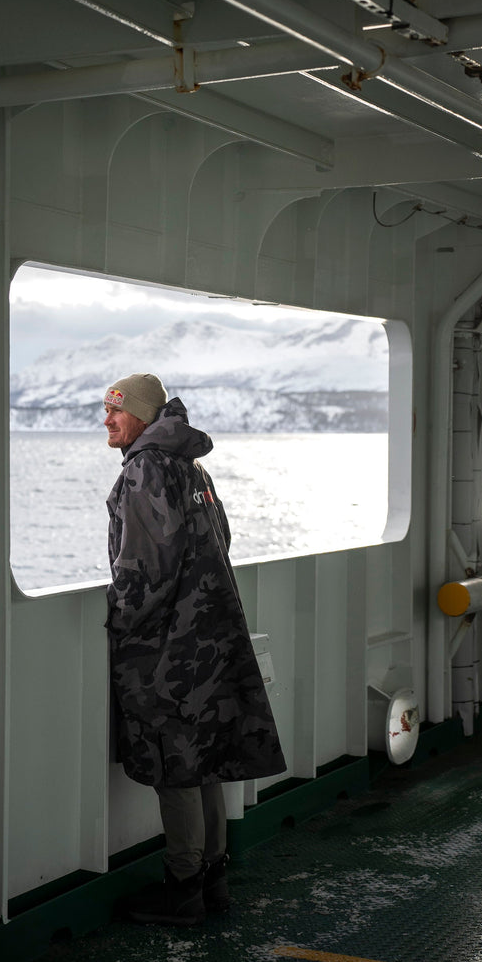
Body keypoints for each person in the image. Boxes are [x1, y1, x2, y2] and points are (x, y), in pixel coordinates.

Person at [103, 372, 286, 926]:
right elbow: (221, 539)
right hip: (210, 632)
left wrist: (120, 618)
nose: (106, 421)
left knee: (175, 763)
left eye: (115, 411)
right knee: (203, 756)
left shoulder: (144, 470)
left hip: (167, 644)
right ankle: (214, 877)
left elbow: (146, 568)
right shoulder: (191, 467)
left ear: (140, 416)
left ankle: (183, 889)